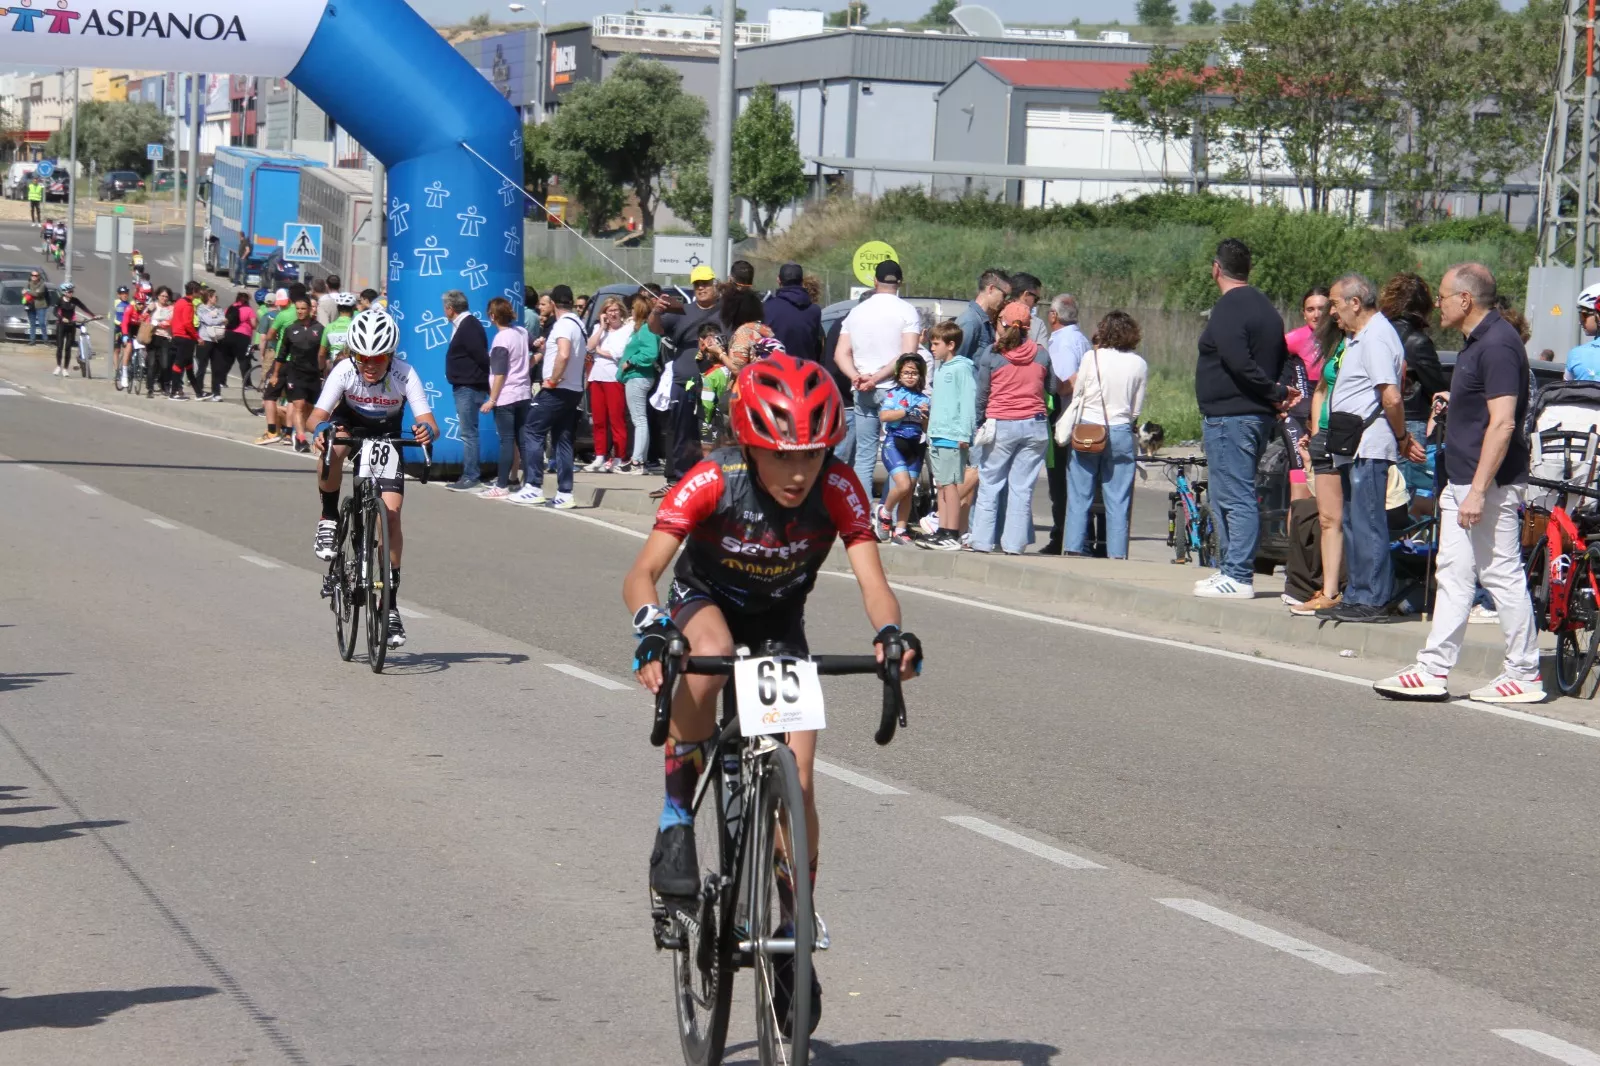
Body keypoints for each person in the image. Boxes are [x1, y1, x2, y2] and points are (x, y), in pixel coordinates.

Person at [623, 353, 923, 1032]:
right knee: (709, 654)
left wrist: (891, 635)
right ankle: (676, 819)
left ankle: (792, 935)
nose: (798, 473)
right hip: (705, 603)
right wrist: (649, 633)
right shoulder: (712, 479)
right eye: (780, 456)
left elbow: (874, 581)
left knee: (802, 776)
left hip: (781, 624)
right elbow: (641, 573)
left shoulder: (840, 486)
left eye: (812, 456)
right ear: (749, 445)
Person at [1375, 263, 1540, 703]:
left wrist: (1480, 490)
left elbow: (1503, 424)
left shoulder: (1499, 345)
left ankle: (1524, 672)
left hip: (1487, 483)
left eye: (1444, 296)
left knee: (1500, 574)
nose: (1438, 305)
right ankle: (1433, 668)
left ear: (1465, 299)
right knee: (1454, 576)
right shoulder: (1476, 344)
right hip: (1462, 478)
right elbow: (1487, 411)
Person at [309, 308, 439, 649]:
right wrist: (321, 428)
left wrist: (426, 430)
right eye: (362, 357)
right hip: (349, 428)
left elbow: (429, 420)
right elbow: (316, 417)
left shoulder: (404, 374)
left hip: (386, 437)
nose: (369, 365)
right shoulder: (344, 371)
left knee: (391, 519)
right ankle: (329, 517)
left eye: (377, 358)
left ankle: (390, 605)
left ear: (390, 355)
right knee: (331, 446)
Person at [1315, 273, 1424, 624]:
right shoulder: (1361, 336)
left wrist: (1403, 436)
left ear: (1355, 303)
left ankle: (1374, 597)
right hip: (1353, 443)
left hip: (1369, 445)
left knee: (1368, 522)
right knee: (1353, 521)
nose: (1332, 311)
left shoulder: (1377, 336)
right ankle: (1359, 593)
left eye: (1334, 303)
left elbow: (1390, 395)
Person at [1194, 239, 1300, 599]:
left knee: (1235, 493)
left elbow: (1237, 360)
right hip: (1249, 416)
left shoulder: (1229, 307)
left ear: (1216, 268)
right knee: (1226, 493)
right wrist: (1279, 390)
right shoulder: (1267, 308)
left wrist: (1273, 391)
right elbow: (1286, 357)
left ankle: (1239, 574)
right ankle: (1228, 568)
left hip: (1232, 416)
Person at [834, 259, 922, 506]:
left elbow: (840, 353)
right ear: (900, 283)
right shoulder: (907, 311)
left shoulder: (857, 312)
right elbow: (908, 355)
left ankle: (862, 514)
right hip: (894, 392)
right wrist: (878, 377)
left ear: (874, 281)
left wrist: (857, 376)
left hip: (862, 391)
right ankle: (889, 517)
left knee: (864, 456)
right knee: (898, 455)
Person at [971, 301, 1055, 555]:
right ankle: (1014, 545)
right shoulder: (1041, 354)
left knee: (990, 484)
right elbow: (1050, 388)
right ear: (1029, 327)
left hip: (1002, 424)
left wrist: (978, 423)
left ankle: (982, 542)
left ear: (1002, 323)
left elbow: (982, 394)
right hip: (1035, 426)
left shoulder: (992, 354)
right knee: (1022, 487)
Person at [1063, 311, 1148, 559]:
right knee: (1118, 498)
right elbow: (1136, 409)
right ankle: (1117, 554)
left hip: (1089, 428)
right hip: (1121, 429)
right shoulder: (1139, 364)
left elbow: (1079, 392)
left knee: (1080, 493)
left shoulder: (1092, 357)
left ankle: (1073, 548)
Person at [1290, 311, 1350, 616]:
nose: (1333, 314)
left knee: (1350, 518)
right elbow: (1321, 390)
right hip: (1325, 435)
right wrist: (1315, 431)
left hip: (1351, 438)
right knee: (1328, 518)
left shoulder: (1363, 342)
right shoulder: (1335, 345)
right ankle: (1329, 591)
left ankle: (1355, 589)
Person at [648, 265, 723, 498]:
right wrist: (656, 311)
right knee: (680, 431)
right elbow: (655, 328)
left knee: (711, 432)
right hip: (683, 383)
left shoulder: (726, 311)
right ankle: (678, 479)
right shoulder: (682, 311)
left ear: (715, 284)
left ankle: (714, 479)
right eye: (697, 284)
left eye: (706, 283)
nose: (701, 288)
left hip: (715, 383)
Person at [510, 284, 586, 509]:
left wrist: (552, 379)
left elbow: (563, 354)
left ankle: (533, 486)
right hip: (573, 389)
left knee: (532, 430)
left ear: (553, 303)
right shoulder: (579, 324)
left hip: (557, 389)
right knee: (562, 438)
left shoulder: (563, 325)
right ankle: (565, 492)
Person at [919, 320, 976, 551]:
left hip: (953, 435)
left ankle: (952, 532)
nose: (932, 348)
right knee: (942, 485)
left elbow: (968, 402)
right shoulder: (941, 368)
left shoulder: (962, 368)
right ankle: (942, 529)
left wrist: (965, 433)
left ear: (950, 345)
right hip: (937, 433)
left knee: (951, 485)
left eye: (936, 344)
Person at [1042, 293, 1091, 554]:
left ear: (1054, 316)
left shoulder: (1063, 342)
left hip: (1062, 417)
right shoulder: (1080, 339)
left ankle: (1061, 535)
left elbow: (1063, 383)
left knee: (1059, 481)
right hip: (1078, 419)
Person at [478, 296, 534, 500]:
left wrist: (492, 399)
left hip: (506, 396)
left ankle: (501, 484)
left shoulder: (501, 339)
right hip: (524, 393)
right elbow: (529, 357)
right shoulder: (521, 332)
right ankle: (530, 482)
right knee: (524, 441)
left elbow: (500, 372)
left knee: (507, 441)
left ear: (492, 317)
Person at [877, 354, 931, 545]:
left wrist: (925, 416)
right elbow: (884, 416)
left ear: (920, 376)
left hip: (916, 445)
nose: (910, 376)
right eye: (906, 373)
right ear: (899, 375)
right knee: (903, 485)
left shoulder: (925, 398)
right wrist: (907, 411)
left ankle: (900, 530)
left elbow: (926, 428)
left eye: (914, 373)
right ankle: (884, 511)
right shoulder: (893, 394)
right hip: (895, 443)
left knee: (909, 491)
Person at [442, 290, 491, 492]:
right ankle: (470, 473)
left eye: (445, 307)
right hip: (466, 385)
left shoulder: (468, 325)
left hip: (469, 387)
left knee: (469, 433)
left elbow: (480, 356)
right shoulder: (464, 325)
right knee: (469, 432)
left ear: (450, 309)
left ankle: (471, 475)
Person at [584, 295, 633, 472]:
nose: (612, 314)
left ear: (621, 311)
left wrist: (599, 351)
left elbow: (619, 353)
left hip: (614, 378)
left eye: (615, 310)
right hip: (597, 377)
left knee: (616, 419)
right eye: (608, 310)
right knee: (598, 419)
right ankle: (599, 456)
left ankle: (620, 456)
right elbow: (589, 347)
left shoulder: (627, 329)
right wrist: (601, 330)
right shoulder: (599, 328)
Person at [277, 295, 327, 453]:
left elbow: (324, 353)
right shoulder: (291, 329)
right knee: (298, 405)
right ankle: (300, 438)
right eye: (297, 309)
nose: (300, 312)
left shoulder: (319, 329)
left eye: (303, 308)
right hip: (295, 372)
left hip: (313, 374)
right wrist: (275, 374)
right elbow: (282, 353)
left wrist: (324, 372)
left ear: (310, 310)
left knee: (310, 407)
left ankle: (303, 431)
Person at [618, 292, 661, 475]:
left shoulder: (645, 329)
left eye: (633, 308)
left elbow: (650, 353)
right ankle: (638, 460)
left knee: (639, 420)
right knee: (640, 420)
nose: (631, 311)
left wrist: (631, 361)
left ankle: (637, 462)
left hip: (638, 376)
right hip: (637, 377)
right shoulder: (643, 329)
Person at [764, 261, 823, 362]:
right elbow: (817, 346)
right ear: (802, 281)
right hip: (805, 372)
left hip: (775, 372)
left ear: (778, 280)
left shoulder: (767, 308)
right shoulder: (815, 311)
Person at [954, 269, 1011, 365]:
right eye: (1004, 296)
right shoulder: (970, 322)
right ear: (991, 289)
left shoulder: (986, 323)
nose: (1004, 301)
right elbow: (955, 363)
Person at [211, 290, 256, 399]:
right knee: (244, 360)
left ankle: (222, 381)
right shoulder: (249, 310)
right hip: (243, 337)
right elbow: (254, 324)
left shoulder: (229, 308)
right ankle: (247, 383)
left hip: (227, 335)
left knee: (226, 359)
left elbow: (224, 320)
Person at [51, 282, 97, 377]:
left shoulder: (74, 300)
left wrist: (94, 316)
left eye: (72, 291)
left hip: (71, 325)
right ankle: (58, 366)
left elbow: (84, 307)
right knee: (60, 347)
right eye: (69, 291)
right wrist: (61, 318)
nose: (71, 293)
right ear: (64, 292)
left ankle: (65, 368)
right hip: (61, 325)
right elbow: (54, 312)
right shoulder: (59, 300)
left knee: (68, 348)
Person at [195, 288, 227, 401]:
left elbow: (224, 319)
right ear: (209, 297)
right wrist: (218, 319)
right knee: (202, 367)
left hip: (217, 340)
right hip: (205, 339)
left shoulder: (219, 309)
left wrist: (218, 318)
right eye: (215, 297)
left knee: (217, 367)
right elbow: (208, 321)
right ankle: (199, 390)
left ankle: (216, 392)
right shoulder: (201, 308)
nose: (216, 299)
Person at [170, 281, 201, 398]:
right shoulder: (188, 305)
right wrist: (197, 337)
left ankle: (198, 392)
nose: (200, 293)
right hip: (185, 337)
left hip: (177, 335)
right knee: (178, 365)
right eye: (198, 291)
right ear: (193, 292)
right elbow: (188, 324)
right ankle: (173, 392)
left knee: (189, 366)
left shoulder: (179, 302)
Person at [1565, 282, 1600, 381]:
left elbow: (1567, 391)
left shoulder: (1577, 354)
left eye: (1583, 315)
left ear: (1597, 315)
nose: (1580, 322)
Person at [145, 287, 176, 399]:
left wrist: (157, 323)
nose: (164, 298)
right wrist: (148, 311)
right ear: (158, 296)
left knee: (165, 364)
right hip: (153, 337)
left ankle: (165, 385)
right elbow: (143, 318)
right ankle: (150, 388)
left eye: (166, 296)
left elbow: (169, 322)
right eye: (162, 296)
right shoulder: (152, 306)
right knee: (152, 364)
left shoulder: (171, 309)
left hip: (165, 338)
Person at [1009, 272, 1051, 345]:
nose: (1035, 304)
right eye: (1036, 299)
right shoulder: (1037, 325)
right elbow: (1042, 355)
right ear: (1026, 295)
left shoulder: (996, 317)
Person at [319, 291, 358, 367]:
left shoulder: (329, 327)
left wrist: (321, 369)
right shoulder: (356, 326)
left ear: (337, 308)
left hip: (334, 366)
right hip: (352, 366)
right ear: (353, 308)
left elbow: (321, 354)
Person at [111, 285, 133, 389]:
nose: (124, 296)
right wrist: (119, 323)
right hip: (117, 328)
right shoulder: (115, 303)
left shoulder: (129, 304)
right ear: (119, 294)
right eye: (122, 294)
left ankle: (125, 369)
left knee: (126, 350)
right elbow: (111, 315)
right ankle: (116, 371)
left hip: (126, 329)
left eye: (126, 294)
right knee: (116, 350)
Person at [24, 269, 47, 346]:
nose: (34, 277)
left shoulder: (42, 284)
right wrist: (26, 292)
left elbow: (38, 294)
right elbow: (23, 292)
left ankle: (45, 340)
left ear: (38, 276)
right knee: (32, 324)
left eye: (35, 275)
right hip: (30, 306)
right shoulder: (28, 284)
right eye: (32, 275)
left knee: (41, 323)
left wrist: (28, 291)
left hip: (40, 306)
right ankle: (32, 340)